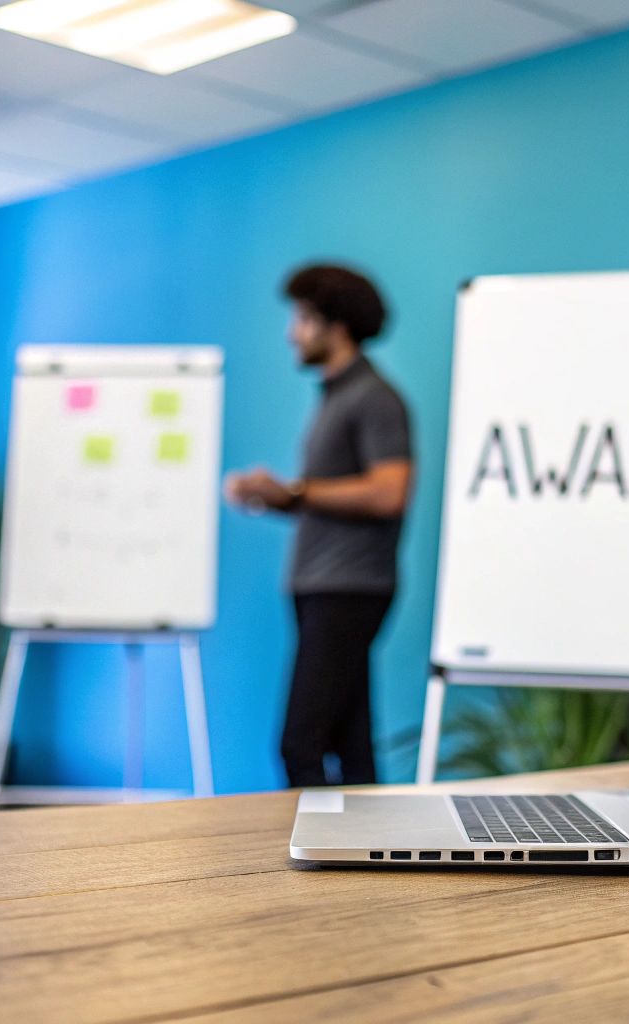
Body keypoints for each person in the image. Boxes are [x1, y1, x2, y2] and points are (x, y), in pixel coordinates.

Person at [224, 264, 413, 787]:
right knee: (351, 747)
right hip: (326, 585)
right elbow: (327, 496)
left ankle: (317, 839)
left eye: (303, 319)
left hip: (347, 587)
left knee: (300, 744)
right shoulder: (338, 395)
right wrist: (275, 496)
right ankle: (366, 837)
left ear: (337, 327)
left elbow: (389, 491)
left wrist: (296, 492)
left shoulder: (374, 398)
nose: (292, 333)